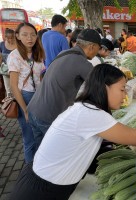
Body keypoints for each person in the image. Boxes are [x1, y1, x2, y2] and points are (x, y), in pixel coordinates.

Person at [9, 64, 136, 200]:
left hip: (44, 180)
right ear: (104, 88)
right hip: (41, 190)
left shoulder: (86, 108)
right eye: (122, 89)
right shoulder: (91, 114)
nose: (125, 95)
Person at [27, 29, 101, 149]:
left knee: (40, 151)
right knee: (55, 153)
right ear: (92, 46)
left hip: (33, 109)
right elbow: (99, 88)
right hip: (47, 116)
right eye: (98, 47)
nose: (98, 51)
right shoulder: (82, 62)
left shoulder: (64, 53)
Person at [7, 22, 45, 163]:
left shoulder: (38, 52)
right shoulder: (14, 56)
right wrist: (25, 109)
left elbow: (41, 75)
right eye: (25, 34)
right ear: (17, 36)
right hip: (25, 97)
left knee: (40, 135)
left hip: (39, 96)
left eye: (33, 34)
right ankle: (30, 172)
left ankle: (40, 166)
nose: (30, 38)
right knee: (29, 137)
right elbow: (13, 85)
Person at [0, 28, 16, 97]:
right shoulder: (1, 45)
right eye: (8, 38)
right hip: (5, 71)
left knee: (16, 90)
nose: (10, 40)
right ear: (5, 37)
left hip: (16, 71)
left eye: (12, 38)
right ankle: (10, 106)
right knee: (9, 91)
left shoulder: (18, 45)